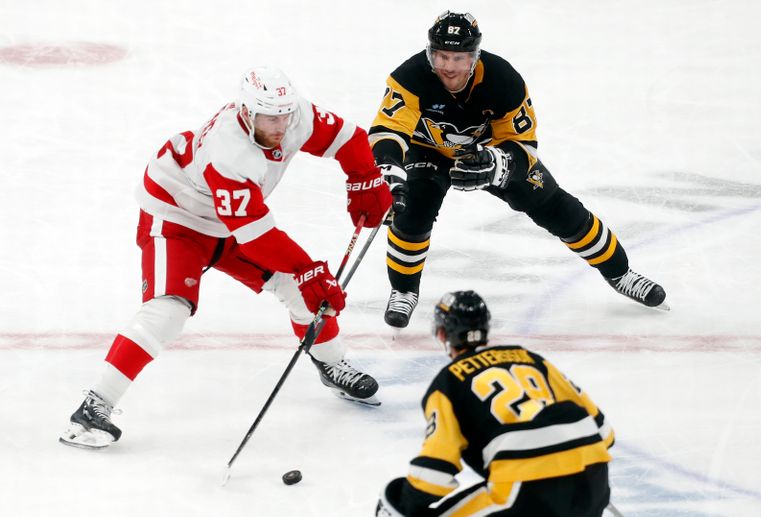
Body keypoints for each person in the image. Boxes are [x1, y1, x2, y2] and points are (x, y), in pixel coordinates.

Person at [59, 65, 392, 449]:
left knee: (301, 293)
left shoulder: (294, 112)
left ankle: (332, 363)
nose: (280, 126)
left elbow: (348, 138)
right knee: (168, 311)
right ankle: (93, 407)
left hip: (229, 218)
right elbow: (255, 235)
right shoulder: (229, 151)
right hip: (177, 217)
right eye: (269, 118)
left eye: (284, 115)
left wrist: (363, 177)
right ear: (247, 112)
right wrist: (306, 269)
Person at [370, 11, 668, 329]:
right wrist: (390, 172)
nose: (449, 67)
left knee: (554, 206)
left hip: (487, 152)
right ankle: (403, 291)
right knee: (411, 211)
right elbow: (388, 130)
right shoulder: (410, 75)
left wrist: (496, 164)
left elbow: (523, 147)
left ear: (474, 56)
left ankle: (619, 272)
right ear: (431, 53)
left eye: (458, 58)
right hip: (426, 150)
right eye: (442, 56)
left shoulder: (503, 79)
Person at [376, 290, 614, 516]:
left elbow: (435, 472)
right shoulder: (531, 359)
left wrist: (403, 502)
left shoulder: (448, 382)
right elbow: (605, 433)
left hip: (527, 489)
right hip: (594, 481)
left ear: (441, 333)